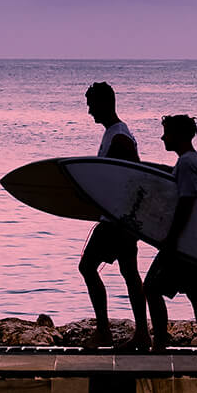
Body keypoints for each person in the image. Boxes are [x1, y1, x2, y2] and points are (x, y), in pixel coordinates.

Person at [78, 81, 150, 351]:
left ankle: (105, 332)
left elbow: (138, 177)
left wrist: (127, 217)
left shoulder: (120, 137)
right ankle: (142, 334)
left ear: (105, 103)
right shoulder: (114, 133)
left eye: (91, 105)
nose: (89, 112)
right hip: (120, 219)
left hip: (118, 221)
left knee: (87, 267)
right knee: (130, 274)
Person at [142, 113, 197, 353]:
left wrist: (171, 240)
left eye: (167, 133)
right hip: (193, 240)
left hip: (182, 241)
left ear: (179, 135)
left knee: (151, 288)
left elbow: (187, 201)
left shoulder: (185, 164)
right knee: (196, 292)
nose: (162, 137)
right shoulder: (194, 160)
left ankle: (160, 344)